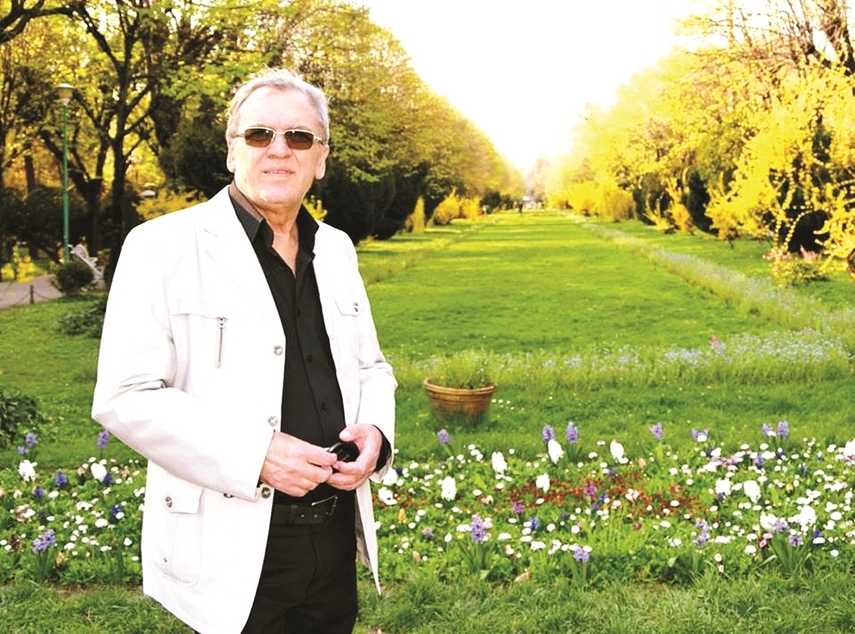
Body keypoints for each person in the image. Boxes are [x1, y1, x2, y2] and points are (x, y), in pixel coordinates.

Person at [91, 68, 396, 634]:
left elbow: (371, 367)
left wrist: (376, 434)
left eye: (299, 137)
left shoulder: (336, 249)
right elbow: (125, 396)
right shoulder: (160, 246)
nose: (279, 150)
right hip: (230, 542)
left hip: (333, 539)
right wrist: (256, 453)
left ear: (321, 159)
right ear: (232, 151)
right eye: (259, 135)